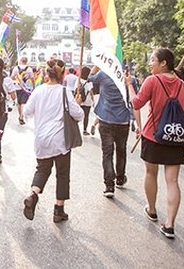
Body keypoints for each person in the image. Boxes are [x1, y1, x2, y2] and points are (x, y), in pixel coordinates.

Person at [128, 48, 184, 239]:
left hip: (153, 136)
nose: (150, 63)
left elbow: (136, 103)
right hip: (175, 138)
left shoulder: (151, 81)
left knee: (150, 173)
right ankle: (170, 224)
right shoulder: (183, 86)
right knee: (172, 181)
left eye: (153, 60)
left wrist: (130, 85)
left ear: (163, 63)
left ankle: (152, 209)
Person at [22, 59, 84, 223]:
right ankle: (58, 210)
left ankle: (33, 195)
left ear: (46, 74)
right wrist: (77, 104)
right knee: (62, 174)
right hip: (60, 141)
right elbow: (78, 115)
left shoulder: (38, 91)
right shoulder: (64, 92)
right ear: (62, 74)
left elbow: (26, 111)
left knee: (42, 170)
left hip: (41, 139)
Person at [88, 64, 130, 198]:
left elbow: (89, 77)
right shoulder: (127, 79)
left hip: (105, 119)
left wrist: (97, 65)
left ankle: (109, 185)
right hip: (123, 120)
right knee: (121, 151)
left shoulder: (103, 75)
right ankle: (120, 178)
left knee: (107, 153)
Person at [12, 56, 34, 125]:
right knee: (23, 103)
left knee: (19, 103)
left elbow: (12, 77)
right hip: (26, 88)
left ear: (20, 61)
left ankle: (20, 116)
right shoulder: (29, 69)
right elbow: (32, 78)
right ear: (26, 61)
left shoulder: (16, 68)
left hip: (17, 87)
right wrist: (34, 87)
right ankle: (21, 116)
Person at [78, 66, 94, 135]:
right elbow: (91, 92)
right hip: (87, 101)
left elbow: (76, 89)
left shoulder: (78, 80)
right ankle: (84, 130)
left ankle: (75, 128)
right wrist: (94, 101)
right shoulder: (89, 82)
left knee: (76, 115)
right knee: (86, 116)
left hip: (79, 100)